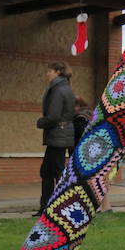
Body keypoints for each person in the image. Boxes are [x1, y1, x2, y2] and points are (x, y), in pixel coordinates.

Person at [35, 62, 75, 214]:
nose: (47, 74)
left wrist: (41, 122)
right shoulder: (64, 88)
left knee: (55, 173)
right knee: (48, 171)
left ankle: (60, 207)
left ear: (58, 72)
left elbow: (53, 116)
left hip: (58, 136)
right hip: (59, 136)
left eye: (50, 71)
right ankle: (48, 206)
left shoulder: (58, 90)